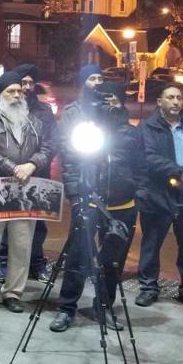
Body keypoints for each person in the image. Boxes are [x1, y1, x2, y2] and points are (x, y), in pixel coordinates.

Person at [49, 81, 143, 332]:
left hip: (123, 205)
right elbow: (71, 163)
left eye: (113, 98)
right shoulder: (86, 131)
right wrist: (75, 195)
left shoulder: (132, 133)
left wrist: (138, 196)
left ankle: (103, 306)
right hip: (89, 201)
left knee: (112, 262)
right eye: (103, 99)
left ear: (121, 102)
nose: (108, 103)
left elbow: (142, 170)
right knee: (77, 257)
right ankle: (66, 308)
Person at [0, 71, 53, 313]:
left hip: (24, 190)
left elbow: (48, 147)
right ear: (0, 95)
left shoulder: (33, 121)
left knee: (22, 243)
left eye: (19, 91)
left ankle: (13, 292)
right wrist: (12, 168)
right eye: (11, 91)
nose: (17, 95)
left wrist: (32, 165)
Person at [135, 83, 183, 310]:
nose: (176, 102)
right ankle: (148, 288)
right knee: (151, 245)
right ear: (160, 101)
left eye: (179, 97)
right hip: (158, 196)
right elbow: (149, 157)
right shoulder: (148, 127)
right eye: (170, 97)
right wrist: (179, 172)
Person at [0, 63, 58, 283]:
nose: (27, 87)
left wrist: (33, 163)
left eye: (31, 83)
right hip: (11, 174)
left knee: (37, 222)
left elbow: (52, 142)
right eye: (23, 82)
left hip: (38, 173)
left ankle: (36, 262)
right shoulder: (4, 109)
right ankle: (4, 263)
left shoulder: (44, 111)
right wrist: (13, 166)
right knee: (8, 220)